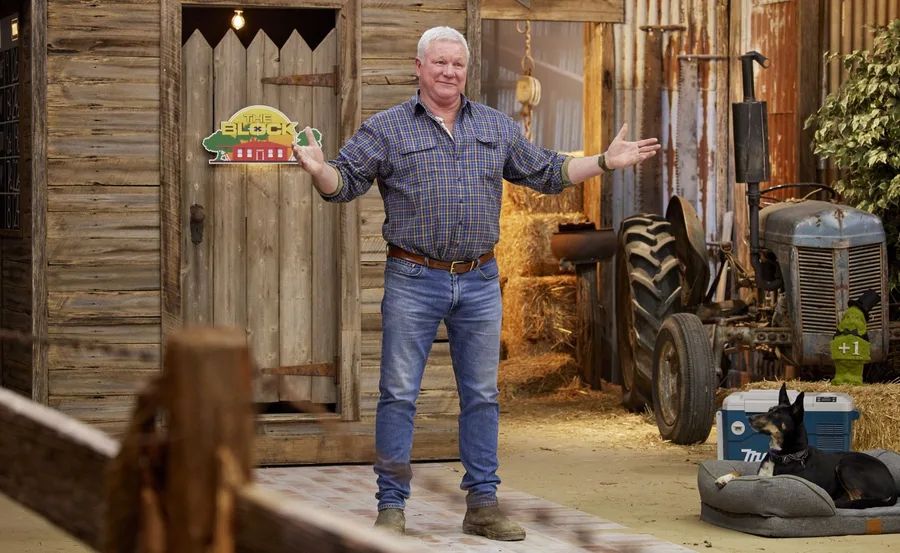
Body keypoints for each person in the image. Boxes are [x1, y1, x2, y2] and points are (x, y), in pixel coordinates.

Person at [293, 26, 660, 541]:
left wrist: (604, 161)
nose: (449, 72)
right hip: (413, 277)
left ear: (467, 71)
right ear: (419, 67)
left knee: (482, 396)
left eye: (458, 64)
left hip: (480, 279)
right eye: (439, 62)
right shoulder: (387, 128)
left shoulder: (495, 125)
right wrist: (319, 171)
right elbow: (344, 182)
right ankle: (391, 506)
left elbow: (546, 171)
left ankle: (482, 506)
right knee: (398, 394)